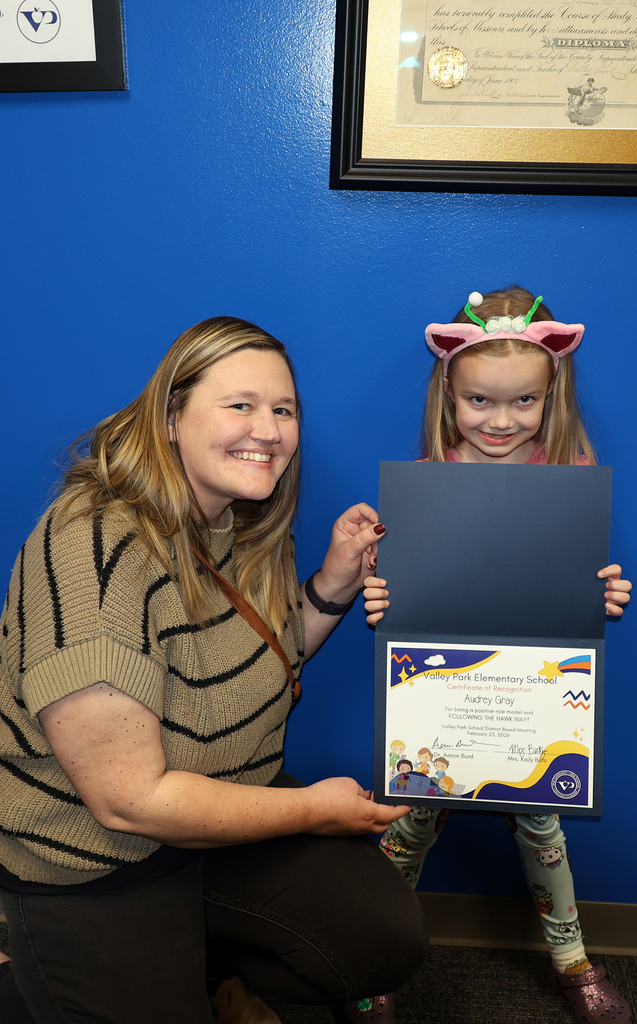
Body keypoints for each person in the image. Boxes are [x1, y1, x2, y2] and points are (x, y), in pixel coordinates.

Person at [0, 316, 428, 1024]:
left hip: (223, 819)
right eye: (240, 405)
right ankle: (32, 970)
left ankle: (200, 969)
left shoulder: (234, 520)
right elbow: (129, 802)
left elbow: (261, 666)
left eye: (283, 410)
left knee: (380, 939)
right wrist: (315, 810)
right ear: (171, 416)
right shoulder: (95, 547)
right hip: (103, 861)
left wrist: (332, 585)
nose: (268, 429)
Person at [363, 286, 633, 1024]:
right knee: (410, 819)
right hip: (441, 693)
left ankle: (571, 960)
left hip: (533, 693)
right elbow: (404, 593)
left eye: (523, 403)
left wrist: (600, 596)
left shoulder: (570, 480)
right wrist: (382, 602)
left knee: (542, 826)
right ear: (447, 392)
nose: (500, 420)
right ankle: (365, 954)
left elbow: (575, 589)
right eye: (479, 401)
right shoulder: (425, 482)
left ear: (552, 397)